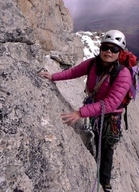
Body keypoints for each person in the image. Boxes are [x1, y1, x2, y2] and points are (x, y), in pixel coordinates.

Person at [39, 30, 132, 192]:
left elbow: (110, 103)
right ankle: (95, 160)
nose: (109, 51)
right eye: (106, 47)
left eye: (114, 49)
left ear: (120, 53)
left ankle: (105, 182)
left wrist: (80, 113)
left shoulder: (123, 74)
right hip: (95, 110)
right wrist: (53, 76)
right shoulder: (92, 64)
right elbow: (73, 72)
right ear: (101, 48)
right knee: (97, 138)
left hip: (111, 117)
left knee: (107, 147)